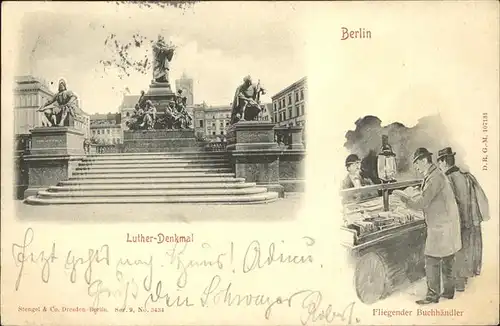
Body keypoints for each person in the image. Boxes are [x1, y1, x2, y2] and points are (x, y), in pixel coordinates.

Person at [393, 148, 462, 305]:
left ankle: (432, 295)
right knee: (447, 258)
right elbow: (429, 195)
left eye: (417, 163)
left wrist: (402, 197)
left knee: (431, 259)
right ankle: (449, 292)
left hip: (441, 226)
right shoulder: (434, 175)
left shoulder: (434, 178)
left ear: (424, 161)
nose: (416, 167)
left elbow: (421, 203)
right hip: (447, 224)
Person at [437, 147, 489, 291]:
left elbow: (448, 203)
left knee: (457, 251)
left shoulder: (448, 179)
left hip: (457, 221)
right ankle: (463, 279)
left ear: (444, 162)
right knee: (466, 250)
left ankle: (459, 283)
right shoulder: (465, 175)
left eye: (440, 163)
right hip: (470, 220)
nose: (439, 166)